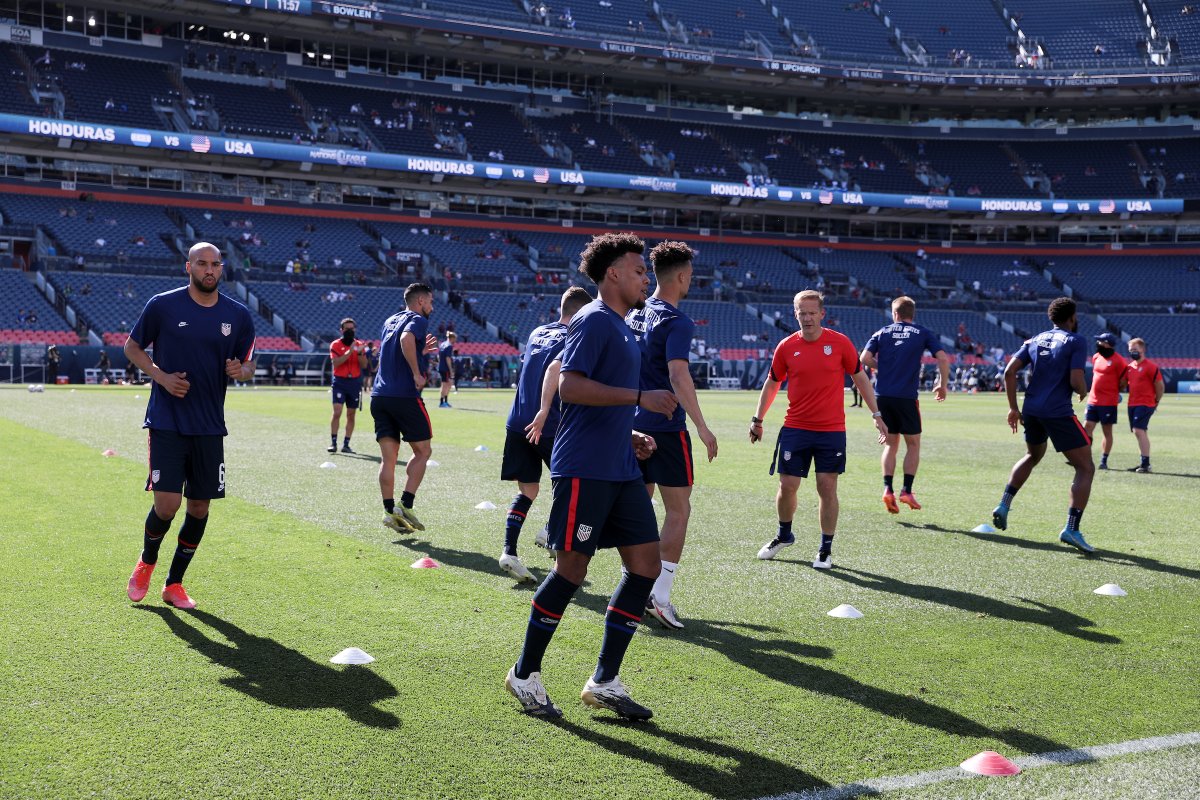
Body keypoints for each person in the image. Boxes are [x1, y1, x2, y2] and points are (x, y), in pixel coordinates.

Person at [504, 232, 677, 721]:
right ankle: (524, 673)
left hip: (620, 466)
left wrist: (629, 437)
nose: (646, 276)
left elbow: (601, 398)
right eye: (639, 269)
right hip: (584, 468)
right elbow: (572, 387)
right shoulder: (594, 319)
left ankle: (604, 681)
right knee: (571, 572)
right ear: (613, 274)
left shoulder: (622, 325)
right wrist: (640, 401)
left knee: (645, 567)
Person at [123, 242, 256, 609]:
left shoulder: (238, 315)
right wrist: (161, 377)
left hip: (210, 425)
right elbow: (132, 347)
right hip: (166, 419)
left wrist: (240, 372)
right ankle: (147, 562)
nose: (209, 270)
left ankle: (174, 584)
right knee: (167, 505)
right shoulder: (163, 305)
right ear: (189, 267)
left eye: (215, 264)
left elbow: (248, 364)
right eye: (202, 263)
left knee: (199, 507)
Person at [750, 290, 887, 569]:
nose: (807, 317)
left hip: (831, 431)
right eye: (802, 312)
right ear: (795, 313)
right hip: (795, 428)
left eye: (812, 312)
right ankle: (784, 535)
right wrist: (758, 419)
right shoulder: (787, 346)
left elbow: (859, 377)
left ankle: (825, 549)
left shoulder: (840, 343)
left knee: (827, 487)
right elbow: (773, 383)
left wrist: (876, 413)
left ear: (822, 314)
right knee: (787, 486)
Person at [626, 241, 718, 630]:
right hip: (665, 427)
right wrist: (701, 424)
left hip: (630, 423)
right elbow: (679, 375)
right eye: (691, 275)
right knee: (678, 510)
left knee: (638, 510)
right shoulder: (678, 321)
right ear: (682, 276)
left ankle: (634, 586)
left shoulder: (635, 313)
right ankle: (658, 595)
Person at [498, 286, 593, 583]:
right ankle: (551, 533)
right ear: (580, 313)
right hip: (549, 423)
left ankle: (509, 552)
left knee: (527, 491)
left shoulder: (537, 332)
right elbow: (556, 371)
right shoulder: (574, 336)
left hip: (517, 420)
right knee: (581, 483)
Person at [991, 297, 1095, 553]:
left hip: (1032, 409)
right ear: (1072, 317)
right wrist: (1083, 390)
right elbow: (1075, 379)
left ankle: (1004, 504)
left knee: (1032, 455)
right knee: (1085, 467)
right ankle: (1071, 528)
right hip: (1058, 412)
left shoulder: (1035, 339)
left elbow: (1008, 372)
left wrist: (1013, 408)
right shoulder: (1076, 340)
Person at [860, 296, 950, 513]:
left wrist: (881, 367)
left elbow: (864, 358)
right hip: (906, 397)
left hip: (883, 396)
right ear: (912, 314)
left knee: (891, 445)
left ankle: (887, 489)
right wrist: (942, 384)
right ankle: (906, 490)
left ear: (895, 314)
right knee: (913, 444)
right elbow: (943, 358)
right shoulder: (922, 332)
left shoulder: (882, 332)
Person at [371, 282, 439, 534]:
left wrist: (420, 350)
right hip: (404, 396)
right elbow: (406, 338)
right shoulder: (417, 320)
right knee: (423, 451)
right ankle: (406, 503)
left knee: (388, 458)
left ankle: (389, 511)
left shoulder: (390, 320)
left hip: (380, 396)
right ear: (420, 301)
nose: (432, 306)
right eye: (430, 301)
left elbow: (394, 349)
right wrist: (416, 372)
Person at [1084, 332, 1128, 470]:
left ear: (1108, 344)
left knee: (1107, 432)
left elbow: (1123, 382)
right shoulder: (1096, 357)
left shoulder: (1119, 361)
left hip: (1108, 403)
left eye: (1101, 342)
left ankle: (1104, 460)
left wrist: (1115, 392)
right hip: (1093, 400)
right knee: (1086, 428)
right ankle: (1084, 458)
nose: (1098, 344)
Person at [1125, 337, 1164, 474]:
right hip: (1132, 403)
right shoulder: (1129, 367)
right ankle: (1144, 462)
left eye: (1135, 349)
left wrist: (1156, 401)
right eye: (1130, 350)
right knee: (1140, 432)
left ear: (1143, 349)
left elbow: (1160, 386)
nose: (1132, 352)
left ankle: (1145, 464)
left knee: (1138, 430)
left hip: (1145, 403)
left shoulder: (1151, 367)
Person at [329, 317, 367, 454]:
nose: (350, 331)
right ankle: (333, 442)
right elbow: (336, 363)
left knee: (351, 414)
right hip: (340, 381)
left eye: (352, 328)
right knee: (337, 412)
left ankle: (346, 444)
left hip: (354, 383)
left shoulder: (359, 344)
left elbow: (364, 365)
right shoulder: (335, 345)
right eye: (347, 329)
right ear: (341, 330)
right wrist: (350, 351)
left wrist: (361, 353)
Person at [437, 331, 457, 408]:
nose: (455, 340)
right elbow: (448, 358)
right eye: (455, 338)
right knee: (445, 385)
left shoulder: (442, 344)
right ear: (452, 338)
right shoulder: (449, 346)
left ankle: (445, 401)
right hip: (445, 369)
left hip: (442, 367)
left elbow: (438, 356)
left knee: (447, 384)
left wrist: (440, 364)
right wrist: (451, 370)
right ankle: (442, 403)